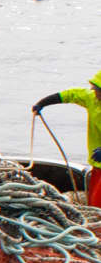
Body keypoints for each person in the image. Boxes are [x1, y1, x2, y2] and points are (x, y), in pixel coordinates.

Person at [33, 69, 101, 206]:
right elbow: (70, 95)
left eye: (98, 90)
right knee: (94, 202)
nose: (95, 93)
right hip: (97, 164)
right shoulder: (91, 99)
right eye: (95, 89)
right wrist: (43, 103)